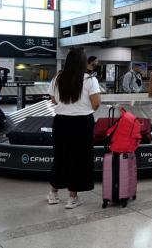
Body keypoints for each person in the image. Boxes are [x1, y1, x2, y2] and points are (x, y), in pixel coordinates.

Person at [47, 48, 101, 208]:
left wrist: (67, 104)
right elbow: (96, 103)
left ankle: (53, 194)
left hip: (61, 122)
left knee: (60, 156)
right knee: (78, 159)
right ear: (83, 62)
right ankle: (72, 198)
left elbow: (53, 99)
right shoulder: (90, 80)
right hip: (82, 123)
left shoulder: (58, 78)